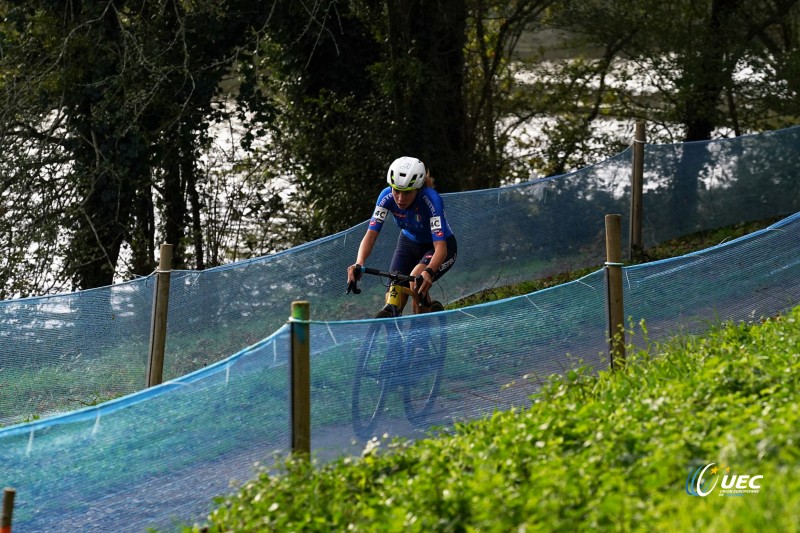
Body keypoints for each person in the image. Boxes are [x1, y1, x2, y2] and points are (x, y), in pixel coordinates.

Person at [347, 156, 457, 316]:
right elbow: (371, 235)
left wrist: (429, 271)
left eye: (406, 193)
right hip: (408, 243)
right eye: (396, 190)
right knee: (394, 291)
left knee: (416, 280)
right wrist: (359, 262)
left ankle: (422, 334)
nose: (399, 198)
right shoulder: (385, 197)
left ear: (418, 189)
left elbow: (440, 247)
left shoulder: (431, 200)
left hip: (438, 246)